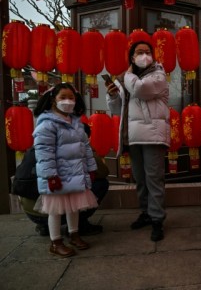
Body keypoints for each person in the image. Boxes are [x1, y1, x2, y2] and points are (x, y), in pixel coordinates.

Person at [105, 40, 170, 242]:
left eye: (147, 52)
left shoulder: (158, 75)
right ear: (132, 57)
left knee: (154, 179)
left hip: (152, 135)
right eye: (139, 52)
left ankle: (157, 219)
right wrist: (112, 96)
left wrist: (126, 75)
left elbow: (141, 90)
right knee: (140, 180)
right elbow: (118, 110)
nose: (144, 55)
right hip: (133, 137)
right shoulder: (128, 80)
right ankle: (146, 213)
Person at [33, 83, 98, 258]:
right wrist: (50, 176)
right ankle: (56, 242)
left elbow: (86, 148)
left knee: (73, 207)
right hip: (57, 177)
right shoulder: (47, 124)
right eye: (63, 97)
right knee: (55, 209)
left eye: (71, 97)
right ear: (53, 99)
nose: (68, 101)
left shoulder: (76, 123)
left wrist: (91, 168)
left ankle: (74, 234)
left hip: (75, 174)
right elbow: (44, 154)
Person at [12, 123, 109, 237]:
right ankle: (78, 226)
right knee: (100, 184)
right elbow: (103, 172)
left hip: (32, 213)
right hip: (56, 209)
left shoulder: (35, 149)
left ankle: (46, 228)